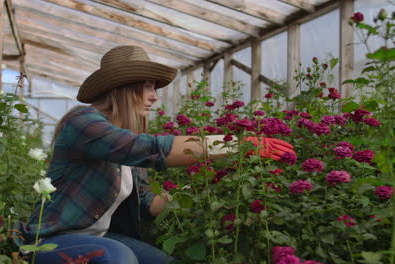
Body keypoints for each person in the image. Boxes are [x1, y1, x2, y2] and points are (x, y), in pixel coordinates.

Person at [15, 46, 295, 264]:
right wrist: (237, 144)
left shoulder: (124, 137)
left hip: (101, 236)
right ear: (124, 87)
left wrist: (209, 186)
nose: (154, 96)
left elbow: (146, 205)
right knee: (118, 259)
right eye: (147, 86)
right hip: (54, 239)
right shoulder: (84, 122)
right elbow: (147, 149)